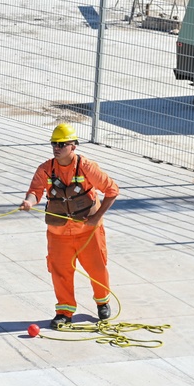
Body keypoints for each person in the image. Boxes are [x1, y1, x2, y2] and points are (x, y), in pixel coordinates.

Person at [19, 123, 120, 328]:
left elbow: (112, 191)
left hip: (88, 232)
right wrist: (29, 201)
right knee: (60, 272)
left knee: (97, 268)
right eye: (54, 144)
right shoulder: (45, 169)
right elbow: (35, 190)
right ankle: (64, 311)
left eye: (62, 144)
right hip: (58, 233)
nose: (57, 147)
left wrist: (96, 217)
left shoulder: (87, 167)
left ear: (73, 146)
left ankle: (103, 302)